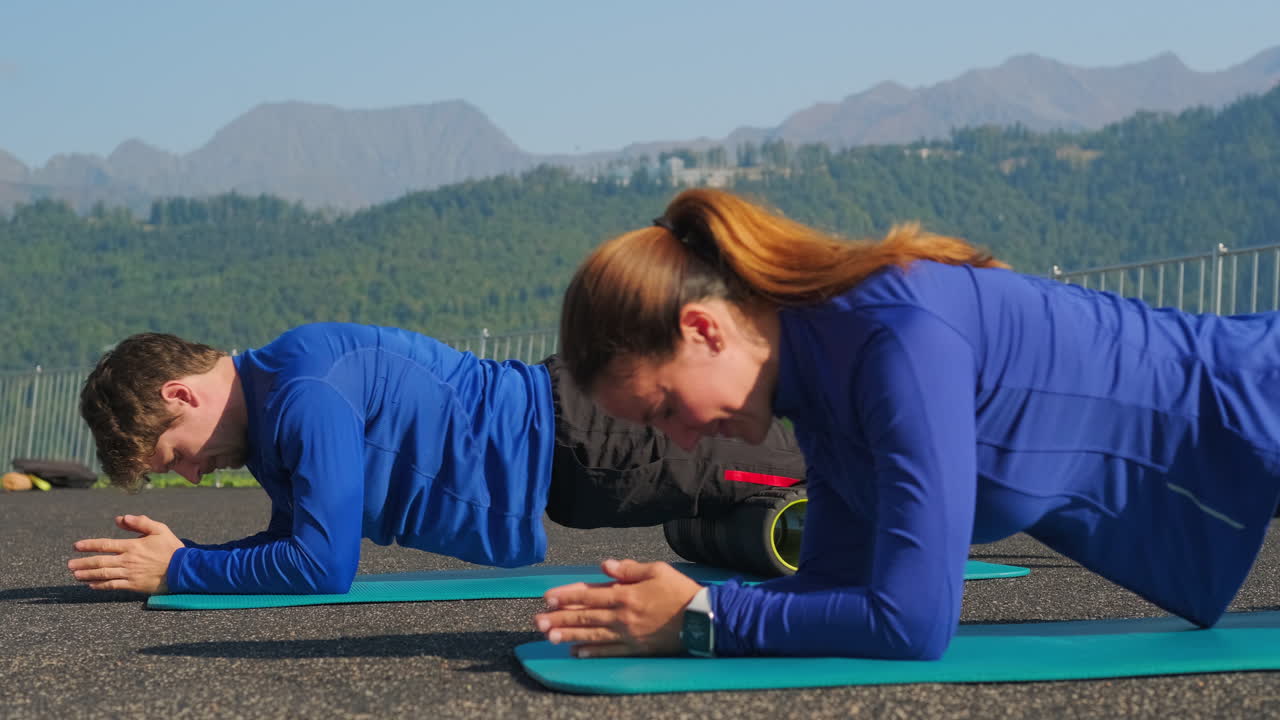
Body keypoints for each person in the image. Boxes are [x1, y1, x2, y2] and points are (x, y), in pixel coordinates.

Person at [533, 187, 1280, 660]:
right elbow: (834, 587)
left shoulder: (894, 339)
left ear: (704, 329)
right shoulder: (819, 385)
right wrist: (661, 615)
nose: (684, 441)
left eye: (665, 409)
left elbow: (912, 621)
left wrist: (702, 615)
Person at [68, 323, 806, 595]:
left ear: (181, 393)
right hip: (579, 464)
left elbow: (323, 565)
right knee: (731, 521)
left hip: (598, 439)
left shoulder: (303, 391)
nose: (192, 474)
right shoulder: (271, 410)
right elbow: (294, 543)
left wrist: (183, 569)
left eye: (174, 457)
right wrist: (187, 557)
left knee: (812, 460)